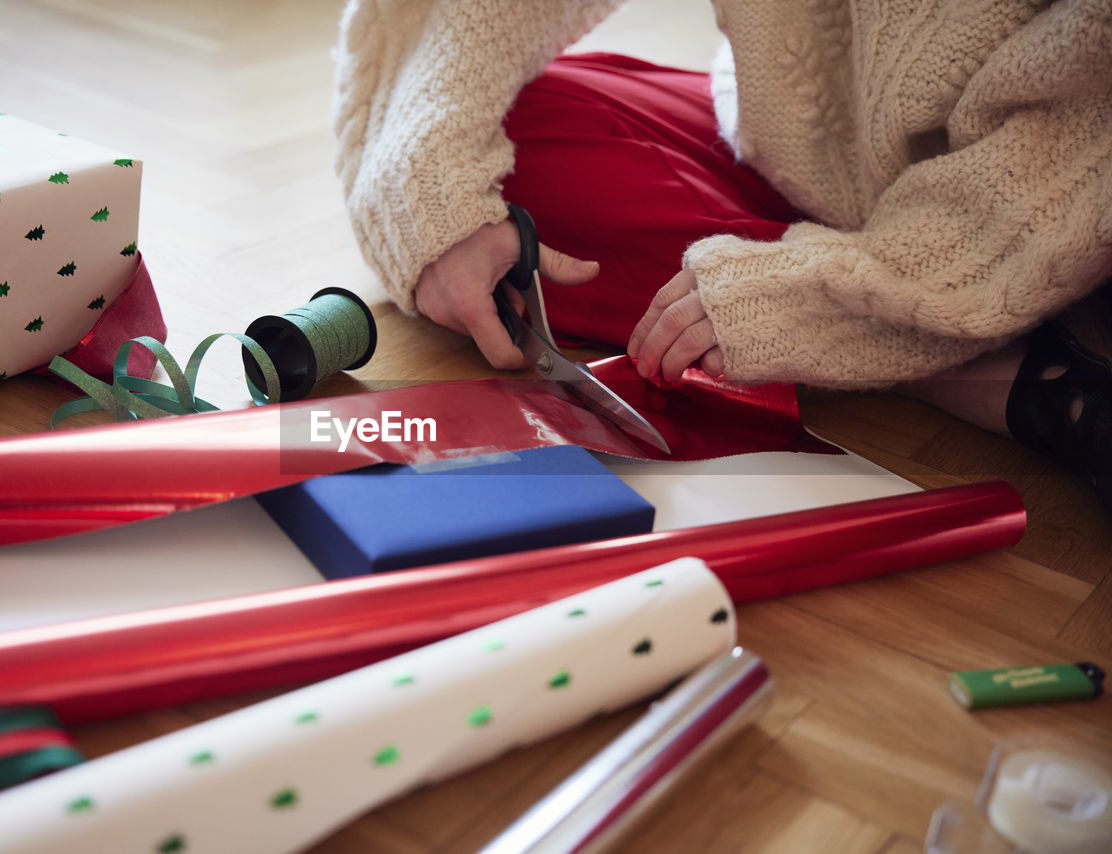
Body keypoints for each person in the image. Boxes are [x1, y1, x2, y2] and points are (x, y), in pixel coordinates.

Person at [330, 0, 1111, 505]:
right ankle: (962, 329)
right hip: (798, 155)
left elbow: (1085, 147)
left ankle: (1004, 359)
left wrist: (827, 298)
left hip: (1046, 193)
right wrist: (429, 198)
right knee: (516, 135)